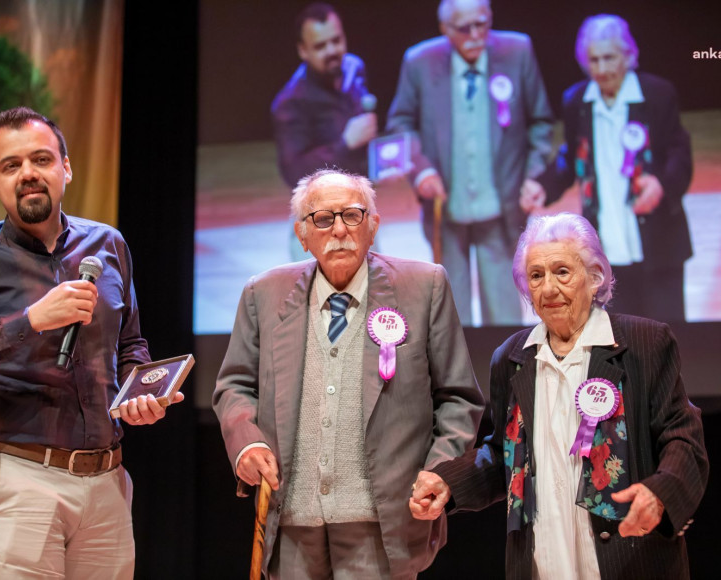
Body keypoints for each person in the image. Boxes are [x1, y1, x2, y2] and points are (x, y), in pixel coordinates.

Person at [0, 107, 183, 579]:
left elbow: (130, 345)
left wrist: (139, 397)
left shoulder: (108, 245)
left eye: (40, 159)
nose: (28, 174)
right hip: (18, 478)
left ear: (66, 168)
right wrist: (31, 320)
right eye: (11, 165)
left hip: (106, 481)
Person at [213, 168, 484, 579]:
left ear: (373, 226)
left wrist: (440, 468)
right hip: (291, 522)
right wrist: (246, 445)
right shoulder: (262, 294)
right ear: (303, 235)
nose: (339, 229)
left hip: (383, 525)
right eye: (323, 219)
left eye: (352, 215)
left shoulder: (424, 286)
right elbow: (234, 385)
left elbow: (458, 397)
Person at [410, 213, 709, 579]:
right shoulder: (512, 358)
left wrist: (660, 493)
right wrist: (449, 482)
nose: (548, 288)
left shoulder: (643, 344)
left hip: (629, 560)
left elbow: (683, 438)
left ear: (595, 276)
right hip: (542, 561)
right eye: (536, 276)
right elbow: (504, 456)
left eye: (562, 272)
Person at [386, 0, 553, 326]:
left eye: (483, 24)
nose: (476, 35)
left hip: (501, 209)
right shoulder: (420, 61)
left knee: (505, 315)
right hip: (447, 211)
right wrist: (422, 171)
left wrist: (534, 175)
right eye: (465, 28)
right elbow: (400, 123)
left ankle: (504, 375)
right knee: (452, 316)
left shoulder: (517, 51)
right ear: (445, 29)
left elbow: (541, 122)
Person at [530, 14, 693, 322]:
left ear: (628, 56)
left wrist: (661, 184)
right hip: (607, 250)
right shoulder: (577, 101)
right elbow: (571, 158)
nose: (602, 69)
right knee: (621, 340)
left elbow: (679, 154)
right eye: (594, 60)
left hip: (659, 244)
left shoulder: (657, 94)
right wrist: (542, 185)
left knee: (669, 337)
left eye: (609, 58)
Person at [272, 3, 378, 261]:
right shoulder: (290, 103)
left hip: (360, 211)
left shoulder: (354, 68)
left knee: (373, 297)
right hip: (318, 222)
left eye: (336, 40)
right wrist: (345, 143)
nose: (332, 51)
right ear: (303, 50)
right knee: (322, 300)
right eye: (320, 46)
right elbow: (295, 172)